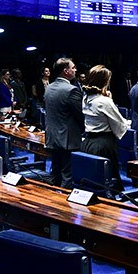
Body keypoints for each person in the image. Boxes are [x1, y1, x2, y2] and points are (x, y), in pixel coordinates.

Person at [81, 65, 129, 191]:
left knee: (92, 180)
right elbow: (119, 125)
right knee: (108, 182)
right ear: (104, 81)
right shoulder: (104, 101)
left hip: (88, 143)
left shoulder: (85, 98)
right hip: (104, 145)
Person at [44, 58, 83, 188]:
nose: (75, 70)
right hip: (68, 140)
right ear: (66, 71)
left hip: (52, 137)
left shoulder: (49, 88)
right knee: (68, 177)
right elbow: (81, 116)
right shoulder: (71, 90)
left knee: (55, 174)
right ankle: (63, 207)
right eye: (73, 67)